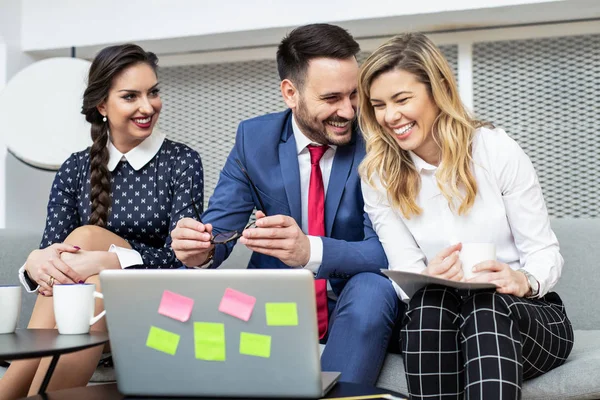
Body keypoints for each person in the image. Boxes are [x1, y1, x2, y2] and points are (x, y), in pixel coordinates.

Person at [170, 23, 400, 385]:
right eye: (331, 98)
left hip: (354, 301)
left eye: (354, 95)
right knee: (182, 289)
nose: (350, 111)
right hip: (271, 303)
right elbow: (219, 232)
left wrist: (310, 250)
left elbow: (391, 253)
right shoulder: (254, 139)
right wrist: (198, 249)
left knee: (374, 286)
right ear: (290, 93)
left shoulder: (379, 141)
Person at [357, 32, 574, 399]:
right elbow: (403, 273)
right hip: (443, 317)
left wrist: (522, 279)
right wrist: (425, 276)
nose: (390, 116)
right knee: (426, 305)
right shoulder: (379, 175)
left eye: (402, 99)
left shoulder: (494, 149)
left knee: (484, 306)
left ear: (438, 89)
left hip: (527, 315)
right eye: (378, 105)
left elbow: (544, 252)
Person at [0, 44, 203, 399]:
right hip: (87, 302)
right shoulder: (74, 168)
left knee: (89, 240)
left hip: (160, 304)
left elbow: (181, 259)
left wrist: (111, 260)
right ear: (102, 106)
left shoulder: (182, 161)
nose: (148, 106)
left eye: (153, 92)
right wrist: (34, 263)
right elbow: (54, 260)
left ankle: (10, 385)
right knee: (89, 277)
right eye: (130, 96)